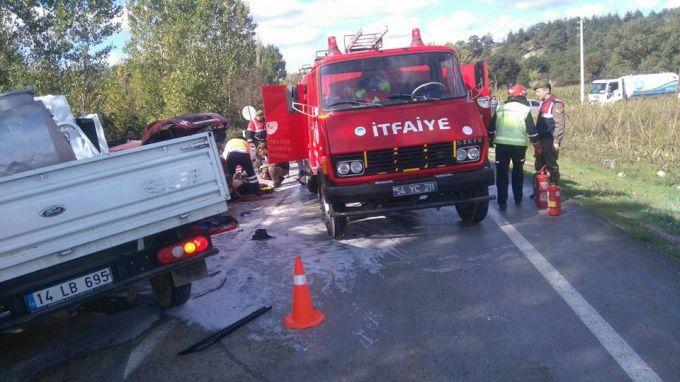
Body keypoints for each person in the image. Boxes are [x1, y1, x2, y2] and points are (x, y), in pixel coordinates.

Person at [487, 84, 537, 210]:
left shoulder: (501, 108)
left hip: (502, 147)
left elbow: (491, 128)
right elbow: (532, 130)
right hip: (519, 147)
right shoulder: (525, 109)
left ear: (510, 96)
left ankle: (502, 203)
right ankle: (518, 199)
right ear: (523, 96)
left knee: (502, 174)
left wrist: (489, 141)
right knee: (518, 172)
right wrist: (537, 143)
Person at [533, 80, 565, 185]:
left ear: (546, 90)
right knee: (539, 163)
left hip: (550, 140)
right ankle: (540, 188)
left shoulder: (557, 104)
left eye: (538, 91)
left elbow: (560, 125)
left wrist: (557, 141)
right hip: (540, 139)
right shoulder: (542, 103)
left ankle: (554, 186)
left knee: (551, 163)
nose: (536, 94)